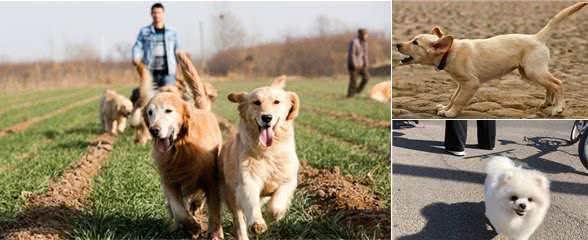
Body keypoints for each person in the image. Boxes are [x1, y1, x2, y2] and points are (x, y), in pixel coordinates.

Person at [132, 2, 180, 88]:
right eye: (154, 13)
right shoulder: (144, 31)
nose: (157, 15)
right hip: (150, 72)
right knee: (150, 98)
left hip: (168, 73)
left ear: (163, 14)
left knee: (168, 97)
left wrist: (180, 66)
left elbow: (177, 50)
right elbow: (137, 46)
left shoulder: (172, 32)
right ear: (151, 14)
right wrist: (136, 57)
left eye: (159, 13)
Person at [346, 28, 370, 97]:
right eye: (365, 35)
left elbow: (365, 54)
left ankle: (357, 91)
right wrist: (354, 64)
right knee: (353, 81)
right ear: (360, 35)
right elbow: (352, 54)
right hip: (353, 65)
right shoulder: (354, 42)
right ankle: (350, 96)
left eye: (367, 35)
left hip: (361, 65)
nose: (366, 36)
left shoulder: (365, 43)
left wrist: (366, 63)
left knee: (366, 78)